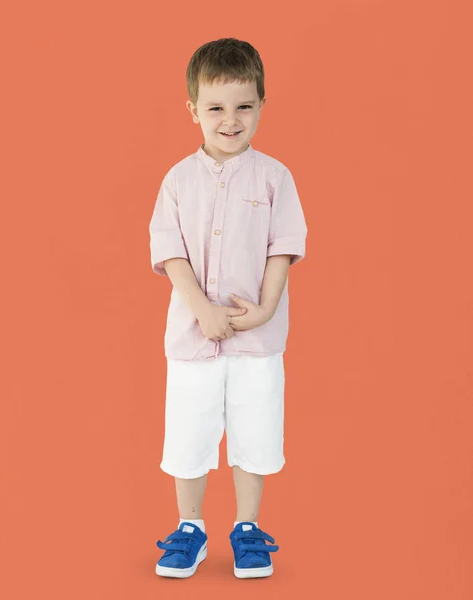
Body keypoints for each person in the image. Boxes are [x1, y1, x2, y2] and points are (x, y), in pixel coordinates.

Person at [149, 37, 307, 579]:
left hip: (256, 341)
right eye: (216, 107)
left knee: (254, 431)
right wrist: (201, 309)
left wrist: (263, 310)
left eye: (245, 106)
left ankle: (247, 528)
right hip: (193, 340)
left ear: (262, 104)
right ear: (193, 110)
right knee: (189, 433)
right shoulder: (176, 180)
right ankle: (189, 528)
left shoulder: (275, 178)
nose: (231, 120)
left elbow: (282, 247)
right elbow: (169, 252)